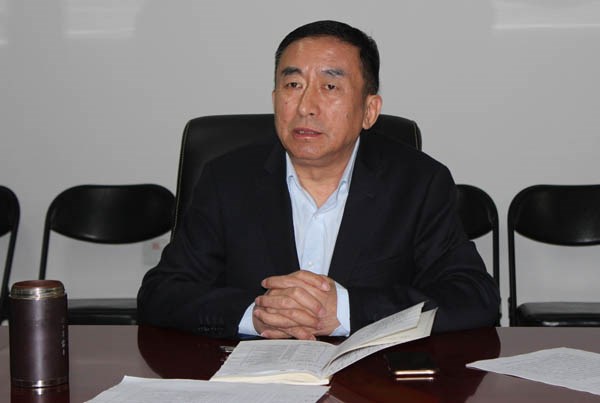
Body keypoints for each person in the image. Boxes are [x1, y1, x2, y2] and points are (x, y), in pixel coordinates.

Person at [137, 20, 500, 340]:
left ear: (369, 110)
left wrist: (345, 310)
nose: (306, 106)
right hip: (253, 376)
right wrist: (257, 314)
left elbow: (474, 297)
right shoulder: (227, 180)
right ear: (275, 98)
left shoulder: (417, 183)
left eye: (329, 87)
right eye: (293, 84)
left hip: (369, 381)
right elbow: (161, 293)